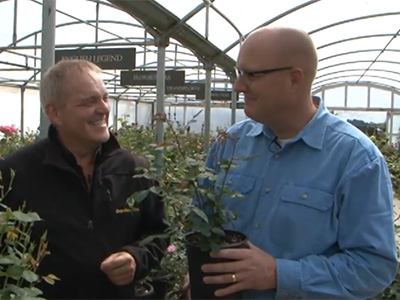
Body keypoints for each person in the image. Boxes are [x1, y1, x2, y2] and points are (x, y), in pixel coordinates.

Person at [198, 26, 398, 299]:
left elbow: (373, 267)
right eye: (239, 73)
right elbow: (201, 221)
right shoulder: (230, 144)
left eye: (252, 75)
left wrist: (279, 274)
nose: (238, 85)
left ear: (295, 79)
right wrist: (195, 270)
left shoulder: (356, 159)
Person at [0, 59, 168, 299]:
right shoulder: (17, 172)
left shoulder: (133, 169)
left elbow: (158, 231)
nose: (103, 108)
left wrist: (135, 257)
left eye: (104, 98)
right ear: (55, 113)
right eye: (88, 101)